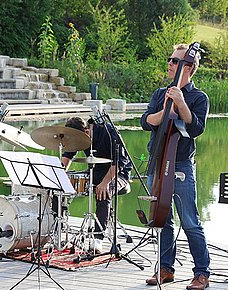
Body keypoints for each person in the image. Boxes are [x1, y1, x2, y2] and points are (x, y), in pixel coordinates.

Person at [141, 43, 211, 289]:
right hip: (156, 162)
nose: (169, 63)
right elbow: (146, 121)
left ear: (188, 67)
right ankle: (165, 268)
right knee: (162, 219)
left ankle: (202, 272)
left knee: (190, 221)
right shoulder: (160, 93)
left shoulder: (198, 97)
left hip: (180, 164)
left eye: (175, 60)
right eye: (170, 59)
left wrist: (181, 103)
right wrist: (165, 110)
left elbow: (195, 129)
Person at [61, 116, 132, 253]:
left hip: (118, 173)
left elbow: (121, 161)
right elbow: (68, 156)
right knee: (60, 187)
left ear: (86, 132)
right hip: (95, 171)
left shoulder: (108, 131)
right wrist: (59, 177)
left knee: (103, 192)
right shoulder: (79, 136)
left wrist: (105, 183)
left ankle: (98, 239)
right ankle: (58, 229)